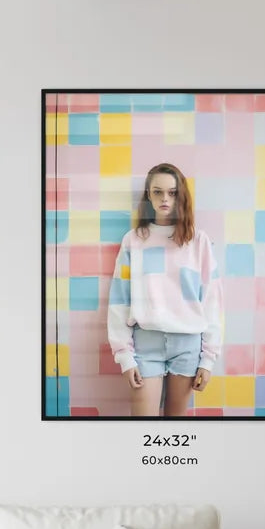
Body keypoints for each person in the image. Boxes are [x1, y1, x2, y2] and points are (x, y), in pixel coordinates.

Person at [107, 162, 223, 417]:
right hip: (145, 344)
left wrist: (208, 360)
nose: (165, 199)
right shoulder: (134, 240)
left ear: (180, 195)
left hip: (188, 343)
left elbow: (212, 302)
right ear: (148, 194)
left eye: (172, 193)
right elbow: (119, 299)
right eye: (157, 192)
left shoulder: (198, 241)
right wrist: (125, 356)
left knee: (176, 426)